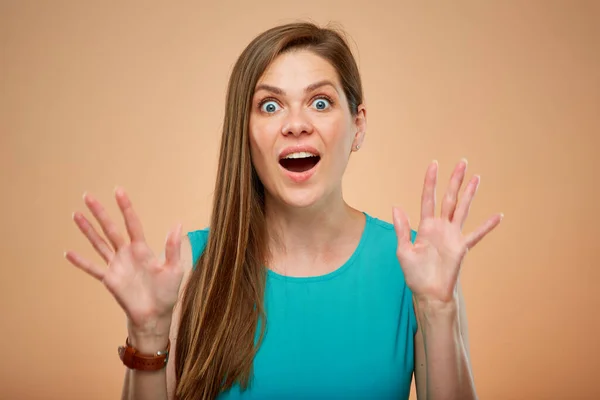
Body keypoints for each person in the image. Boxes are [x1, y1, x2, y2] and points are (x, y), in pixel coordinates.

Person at [65, 21, 502, 400]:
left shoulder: (415, 268)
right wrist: (147, 334)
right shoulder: (188, 265)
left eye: (320, 102)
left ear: (358, 125)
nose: (295, 123)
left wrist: (437, 308)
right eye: (270, 106)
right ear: (246, 132)